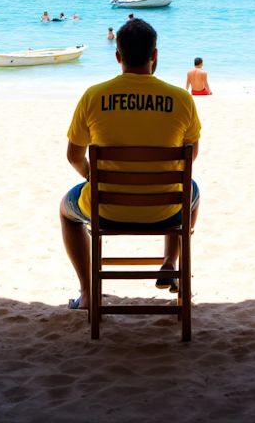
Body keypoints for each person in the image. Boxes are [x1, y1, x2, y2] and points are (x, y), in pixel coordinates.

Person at [60, 19, 202, 310]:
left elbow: (73, 156)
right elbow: (191, 156)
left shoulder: (93, 96)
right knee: (192, 189)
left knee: (66, 212)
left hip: (105, 209)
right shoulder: (181, 99)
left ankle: (88, 292)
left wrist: (92, 176)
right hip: (165, 210)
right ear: (155, 56)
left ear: (117, 57)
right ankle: (170, 262)